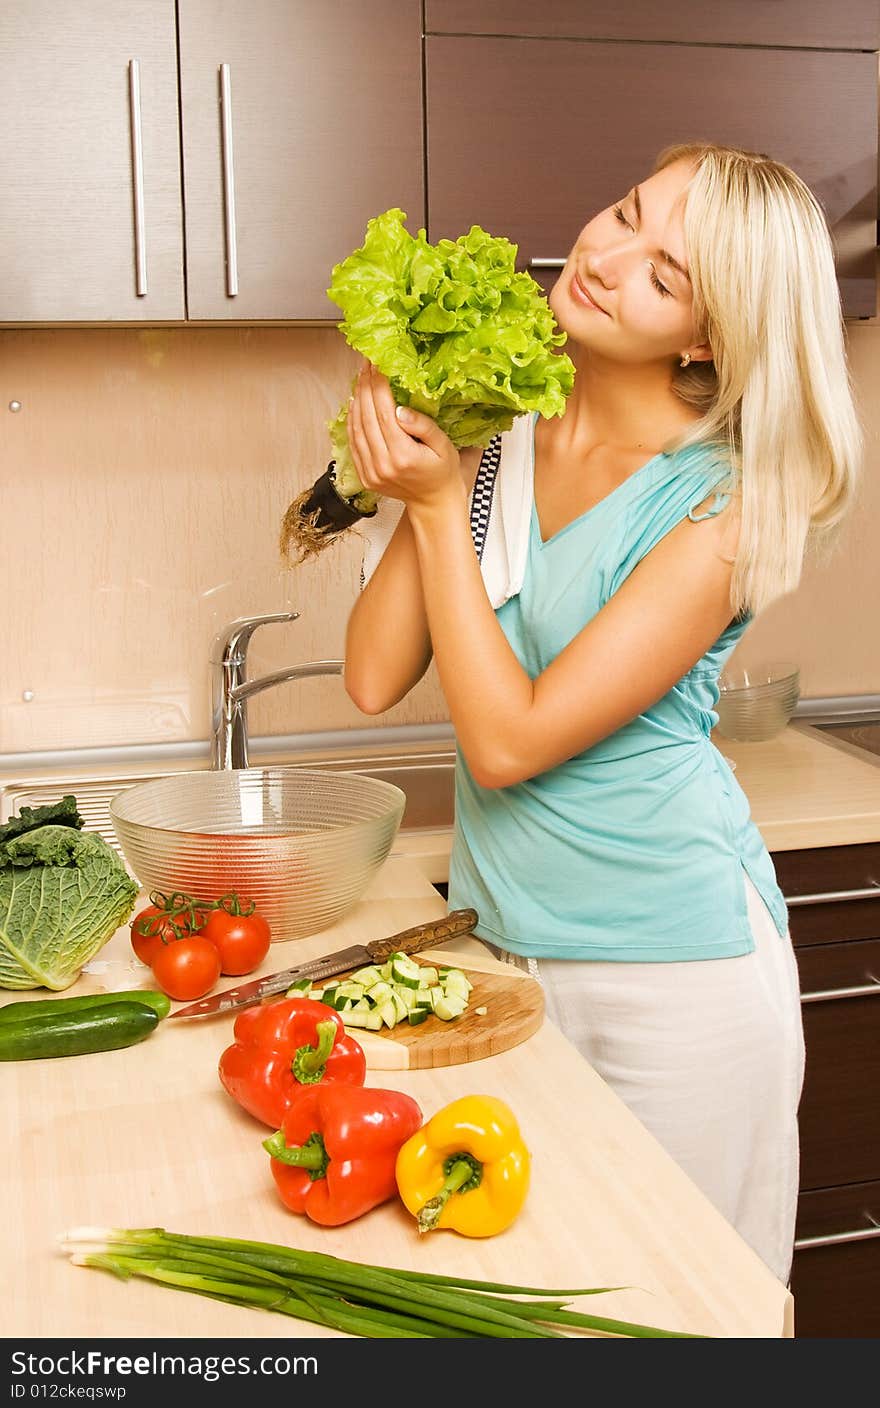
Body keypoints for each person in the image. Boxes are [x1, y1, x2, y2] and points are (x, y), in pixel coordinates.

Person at [340, 142, 863, 1284]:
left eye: (664, 274)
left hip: (675, 973)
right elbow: (373, 675)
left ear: (706, 337)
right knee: (538, 1300)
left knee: (682, 1303)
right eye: (624, 212)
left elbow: (509, 740)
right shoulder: (503, 437)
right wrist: (441, 457)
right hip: (504, 957)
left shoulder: (719, 496)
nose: (605, 257)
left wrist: (436, 515)